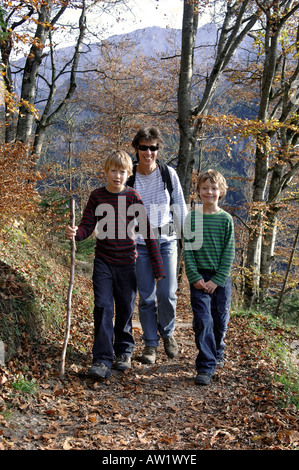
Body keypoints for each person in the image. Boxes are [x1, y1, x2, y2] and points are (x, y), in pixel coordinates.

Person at [65, 150, 165, 380]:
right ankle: (102, 358)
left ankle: (124, 351)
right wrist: (76, 233)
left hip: (128, 263)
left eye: (122, 171)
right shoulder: (97, 196)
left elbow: (148, 234)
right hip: (104, 262)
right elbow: (87, 226)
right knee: (102, 306)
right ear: (106, 171)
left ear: (128, 173)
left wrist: (158, 268)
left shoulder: (133, 197)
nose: (117, 175)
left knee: (125, 309)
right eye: (113, 170)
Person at [127, 126, 187, 364]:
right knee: (146, 297)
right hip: (139, 244)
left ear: (158, 150)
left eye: (153, 148)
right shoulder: (129, 177)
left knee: (168, 293)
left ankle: (168, 334)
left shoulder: (168, 174)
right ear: (136, 149)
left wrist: (188, 240)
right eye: (144, 147)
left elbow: (180, 205)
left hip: (166, 240)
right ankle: (151, 345)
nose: (148, 152)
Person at [183, 169, 235, 385]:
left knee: (219, 320)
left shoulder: (226, 220)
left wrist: (218, 279)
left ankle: (217, 350)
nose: (209, 192)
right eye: (204, 188)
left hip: (220, 279)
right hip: (199, 278)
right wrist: (194, 277)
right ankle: (205, 366)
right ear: (198, 191)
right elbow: (188, 250)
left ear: (221, 191)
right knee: (203, 320)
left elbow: (229, 252)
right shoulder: (192, 217)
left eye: (213, 188)